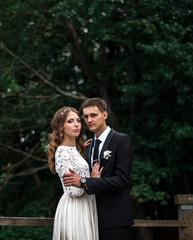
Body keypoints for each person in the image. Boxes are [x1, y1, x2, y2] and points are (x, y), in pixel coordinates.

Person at [63, 98, 134, 240]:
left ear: (105, 115)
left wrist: (84, 181)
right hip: (90, 219)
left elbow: (122, 181)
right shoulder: (88, 147)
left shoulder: (121, 140)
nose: (89, 120)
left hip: (115, 219)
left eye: (93, 115)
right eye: (86, 117)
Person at [48, 107, 103, 240]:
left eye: (78, 120)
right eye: (70, 121)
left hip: (86, 206)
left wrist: (82, 149)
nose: (76, 124)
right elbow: (72, 191)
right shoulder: (62, 152)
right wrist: (92, 181)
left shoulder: (74, 150)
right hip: (75, 208)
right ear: (61, 127)